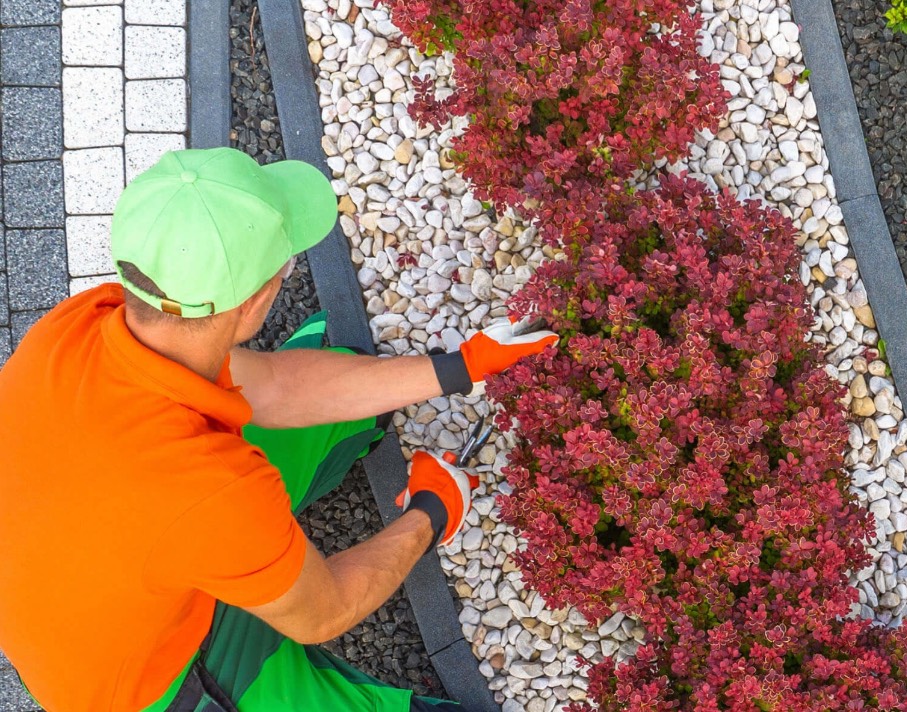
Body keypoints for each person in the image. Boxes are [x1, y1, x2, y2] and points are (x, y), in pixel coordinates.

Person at [0, 147, 557, 711]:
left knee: (345, 395)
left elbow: (271, 386)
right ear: (256, 301)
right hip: (137, 681)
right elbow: (326, 610)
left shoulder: (80, 326)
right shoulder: (215, 486)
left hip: (115, 553)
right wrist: (431, 512)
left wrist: (460, 367)